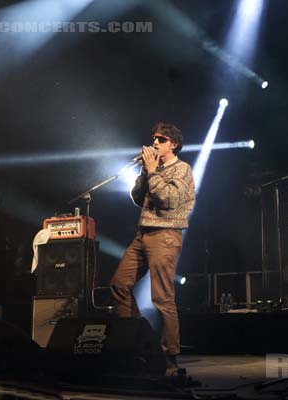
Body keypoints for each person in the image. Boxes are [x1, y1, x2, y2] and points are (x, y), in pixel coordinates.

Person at [110, 122, 195, 371]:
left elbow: (168, 200)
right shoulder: (153, 168)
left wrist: (153, 172)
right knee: (119, 285)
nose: (154, 142)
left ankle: (170, 354)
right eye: (153, 138)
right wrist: (147, 172)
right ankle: (137, 341)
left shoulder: (182, 169)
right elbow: (137, 198)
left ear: (174, 144)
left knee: (162, 298)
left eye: (160, 139)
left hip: (165, 235)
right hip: (143, 233)